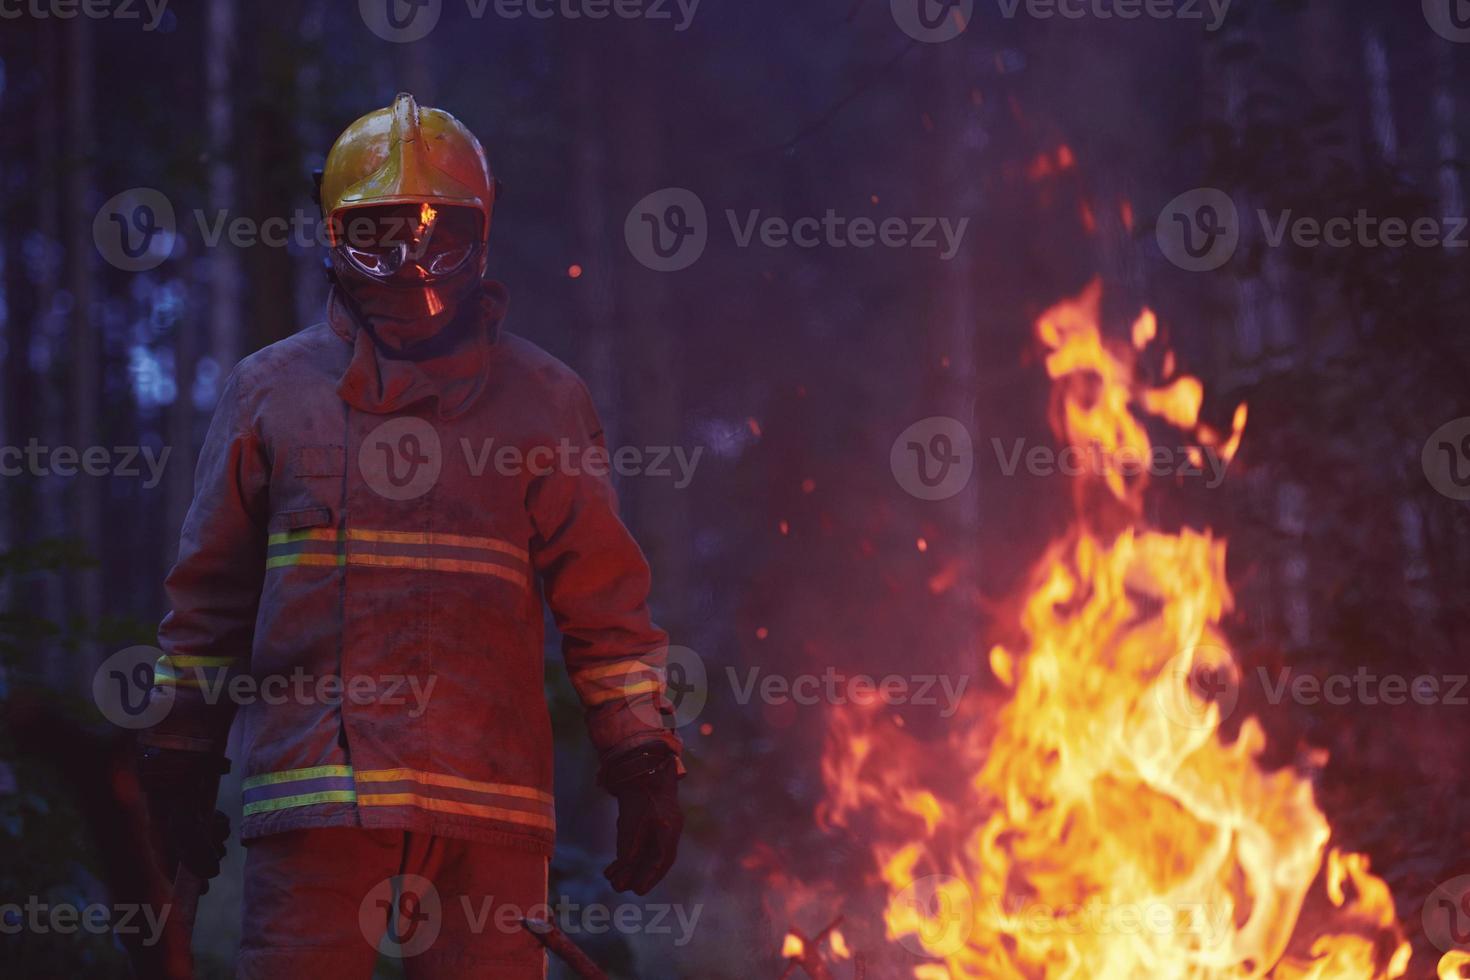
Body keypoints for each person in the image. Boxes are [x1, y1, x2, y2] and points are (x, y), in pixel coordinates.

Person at [135, 92, 684, 978]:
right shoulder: (271, 393)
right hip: (317, 813)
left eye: (439, 237)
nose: (410, 265)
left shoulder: (544, 401)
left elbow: (605, 605)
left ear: (484, 233)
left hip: (488, 816)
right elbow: (209, 601)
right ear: (329, 234)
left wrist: (642, 756)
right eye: (378, 237)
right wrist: (178, 757)